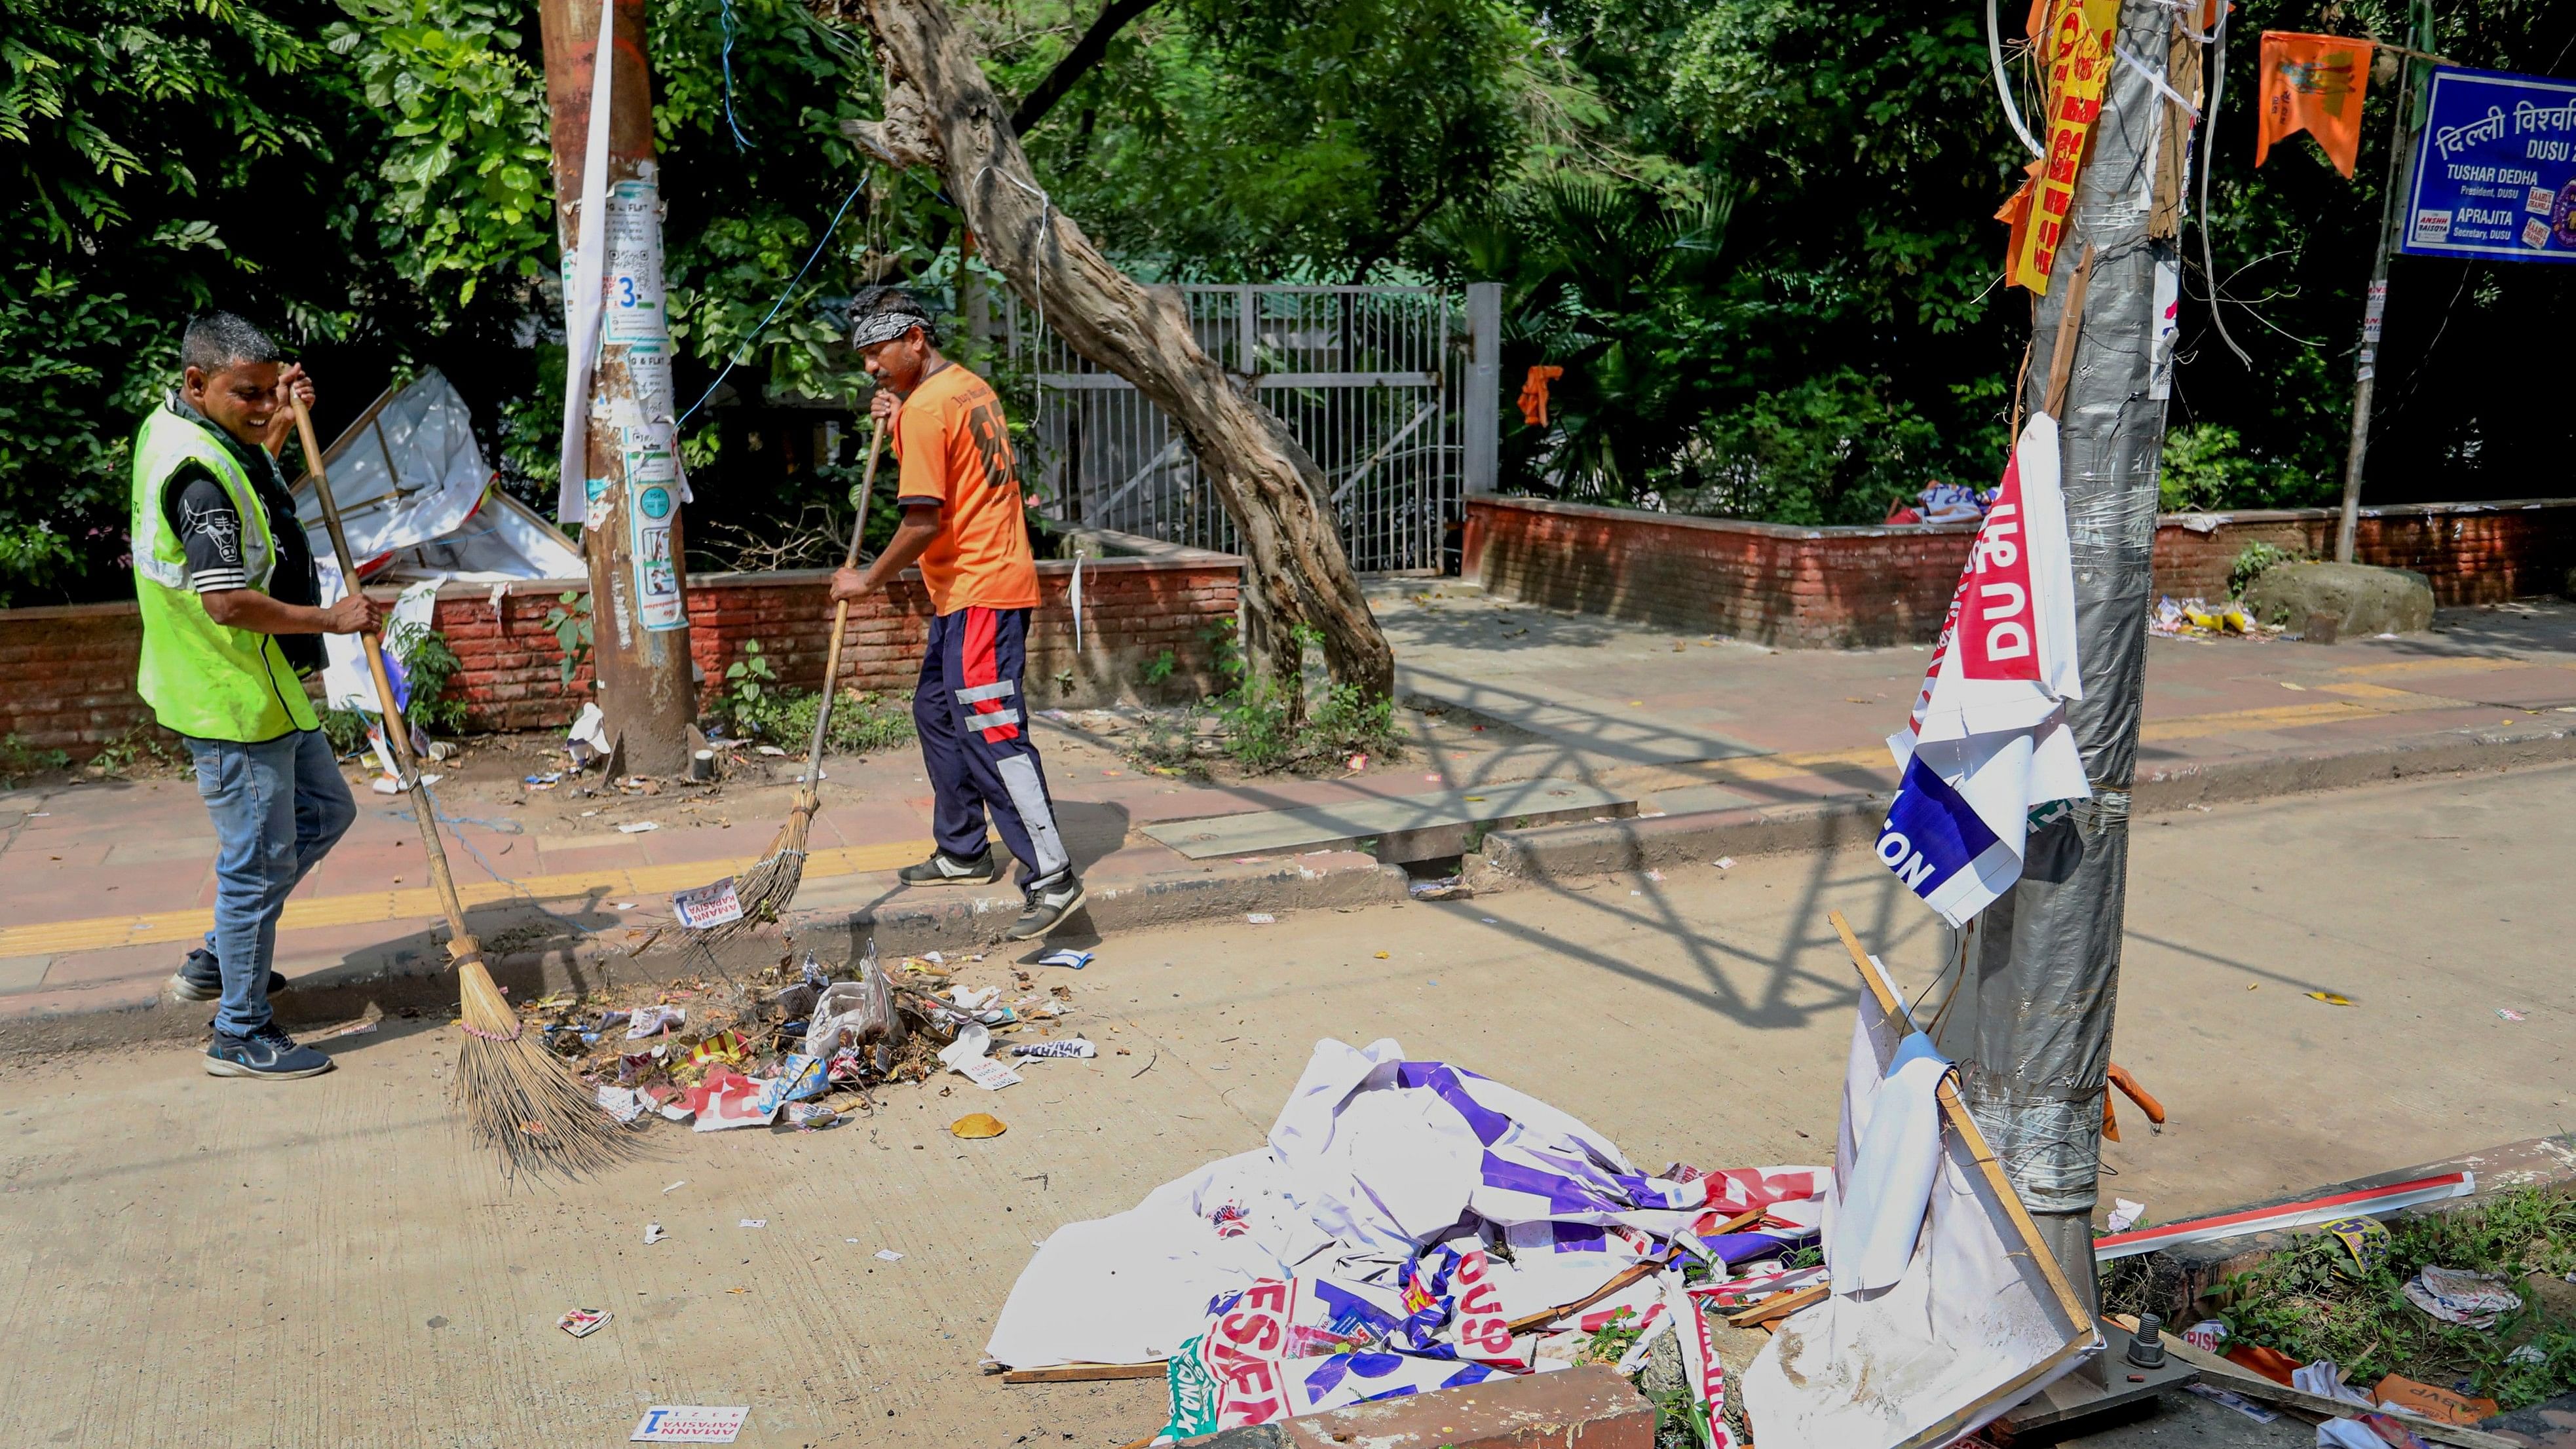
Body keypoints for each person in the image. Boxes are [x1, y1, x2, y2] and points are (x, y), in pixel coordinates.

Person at [132, 311, 383, 1079]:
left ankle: (220, 955)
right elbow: (227, 600)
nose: (261, 405)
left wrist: (280, 422)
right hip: (229, 695)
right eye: (248, 394)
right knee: (258, 858)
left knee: (324, 814)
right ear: (197, 383)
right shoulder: (199, 474)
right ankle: (239, 1031)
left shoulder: (189, 434)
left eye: (270, 389)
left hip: (261, 684)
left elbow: (257, 499)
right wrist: (332, 619)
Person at [831, 288, 1084, 941]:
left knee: (993, 731)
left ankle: (1051, 876)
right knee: (936, 710)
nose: (870, 368)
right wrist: (895, 421)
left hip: (980, 590)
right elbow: (951, 477)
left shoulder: (925, 409)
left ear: (915, 338)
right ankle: (963, 847)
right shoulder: (969, 389)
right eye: (862, 357)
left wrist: (867, 580)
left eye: (877, 352)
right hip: (970, 588)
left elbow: (922, 519)